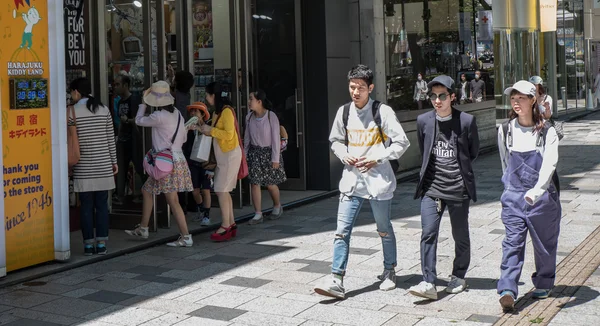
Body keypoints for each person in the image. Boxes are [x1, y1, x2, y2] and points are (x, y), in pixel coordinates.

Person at [313, 64, 410, 299]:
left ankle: (389, 270)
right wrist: (342, 153)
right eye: (352, 87)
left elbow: (401, 143)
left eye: (361, 88)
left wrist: (377, 158)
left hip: (378, 182)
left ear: (371, 88)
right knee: (341, 232)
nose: (355, 92)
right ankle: (337, 278)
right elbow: (335, 140)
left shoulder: (382, 112)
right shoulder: (344, 112)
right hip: (351, 182)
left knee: (383, 229)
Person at [409, 75, 480, 300]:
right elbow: (425, 150)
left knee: (460, 234)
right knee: (428, 232)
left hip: (458, 188)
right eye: (433, 96)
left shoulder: (467, 121)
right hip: (431, 188)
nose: (437, 100)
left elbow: (473, 152)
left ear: (452, 97)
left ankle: (459, 275)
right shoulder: (424, 121)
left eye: (442, 96)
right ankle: (428, 281)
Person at [497, 80, 561, 312]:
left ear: (533, 100)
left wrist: (536, 191)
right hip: (513, 198)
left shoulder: (547, 131)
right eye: (513, 97)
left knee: (544, 245)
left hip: (542, 199)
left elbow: (550, 164)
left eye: (521, 98)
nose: (516, 102)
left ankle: (544, 282)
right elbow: (504, 162)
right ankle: (507, 289)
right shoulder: (505, 129)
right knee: (512, 243)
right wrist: (509, 189)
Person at [125, 81, 194, 247]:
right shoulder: (177, 113)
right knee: (147, 190)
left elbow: (139, 121)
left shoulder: (159, 116)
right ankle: (143, 227)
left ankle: (186, 236)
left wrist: (142, 103)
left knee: (172, 200)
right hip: (175, 160)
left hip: (165, 164)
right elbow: (183, 138)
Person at [69, 77, 118, 256]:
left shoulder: (72, 112)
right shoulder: (103, 109)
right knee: (102, 206)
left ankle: (88, 245)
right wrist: (114, 162)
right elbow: (110, 139)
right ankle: (102, 244)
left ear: (76, 92)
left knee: (86, 206)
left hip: (83, 168)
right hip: (104, 165)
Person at [199, 82, 243, 242]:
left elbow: (229, 134)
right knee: (223, 190)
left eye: (208, 94)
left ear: (214, 95)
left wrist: (210, 130)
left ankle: (226, 225)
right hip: (226, 155)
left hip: (229, 155)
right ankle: (230, 223)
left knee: (221, 189)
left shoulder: (226, 112)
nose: (206, 97)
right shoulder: (220, 112)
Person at [245, 89, 287, 225]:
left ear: (259, 101)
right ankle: (258, 213)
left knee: (270, 184)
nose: (249, 102)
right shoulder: (249, 117)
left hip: (269, 152)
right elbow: (247, 138)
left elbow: (275, 138)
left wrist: (275, 158)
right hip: (254, 152)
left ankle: (277, 206)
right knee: (254, 183)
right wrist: (244, 156)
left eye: (251, 99)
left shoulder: (271, 116)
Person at [112, 74, 143, 206]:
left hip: (134, 138)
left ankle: (140, 193)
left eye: (118, 84)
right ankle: (120, 195)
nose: (115, 87)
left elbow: (139, 119)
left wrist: (128, 121)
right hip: (123, 139)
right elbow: (119, 122)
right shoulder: (119, 102)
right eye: (115, 84)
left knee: (139, 167)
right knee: (121, 169)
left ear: (125, 85)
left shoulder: (134, 99)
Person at [183, 102, 213, 226]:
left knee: (206, 190)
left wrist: (212, 168)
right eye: (192, 111)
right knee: (194, 190)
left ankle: (207, 215)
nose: (193, 114)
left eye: (196, 111)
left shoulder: (209, 127)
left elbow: (212, 149)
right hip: (193, 162)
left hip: (206, 163)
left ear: (202, 114)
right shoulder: (189, 130)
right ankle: (201, 210)